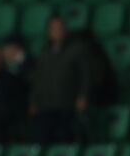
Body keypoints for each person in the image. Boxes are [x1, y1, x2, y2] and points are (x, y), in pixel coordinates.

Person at [30, 15, 88, 145]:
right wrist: (34, 101)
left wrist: (83, 95)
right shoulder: (44, 51)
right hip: (46, 104)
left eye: (59, 28)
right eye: (53, 28)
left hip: (67, 103)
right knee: (44, 139)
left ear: (65, 29)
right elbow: (38, 79)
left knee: (66, 138)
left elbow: (85, 75)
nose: (57, 31)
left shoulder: (77, 49)